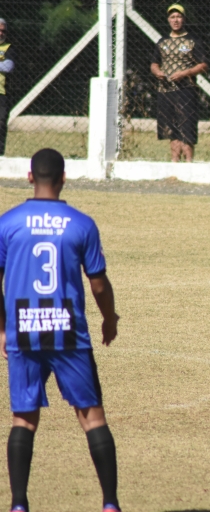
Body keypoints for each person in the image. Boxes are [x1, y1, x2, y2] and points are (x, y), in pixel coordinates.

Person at [0, 149, 121, 512]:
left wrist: (2, 329)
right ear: (64, 177)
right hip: (68, 330)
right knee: (92, 417)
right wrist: (110, 318)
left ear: (29, 177)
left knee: (23, 417)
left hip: (23, 327)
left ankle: (19, 504)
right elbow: (98, 283)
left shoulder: (8, 223)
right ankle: (110, 504)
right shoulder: (81, 224)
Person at [150, 4, 208, 163]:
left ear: (184, 19)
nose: (176, 20)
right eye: (172, 17)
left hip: (186, 90)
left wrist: (185, 73)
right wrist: (158, 72)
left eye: (178, 17)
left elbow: (203, 65)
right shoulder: (162, 41)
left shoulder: (192, 40)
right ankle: (174, 161)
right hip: (166, 90)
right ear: (168, 20)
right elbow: (154, 63)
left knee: (187, 124)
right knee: (170, 127)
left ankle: (189, 161)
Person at [0, 18, 15, 156]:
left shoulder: (8, 48)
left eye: (3, 31)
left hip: (2, 94)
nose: (0, 33)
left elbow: (8, 67)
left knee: (0, 124)